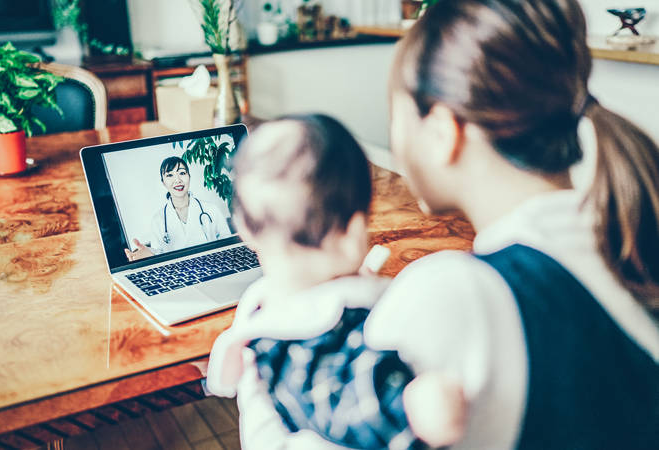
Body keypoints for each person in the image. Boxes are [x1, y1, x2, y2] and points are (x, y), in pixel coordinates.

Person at [235, 0, 659, 449]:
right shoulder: (626, 231)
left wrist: (261, 346)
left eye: (394, 113)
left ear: (441, 130)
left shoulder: (454, 294)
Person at [206, 115, 462, 449]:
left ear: (244, 228)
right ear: (354, 233)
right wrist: (417, 411)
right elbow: (348, 408)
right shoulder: (307, 340)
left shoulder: (259, 303)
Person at [125, 156, 231, 261]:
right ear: (163, 182)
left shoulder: (211, 209)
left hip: (213, 264)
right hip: (179, 274)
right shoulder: (158, 220)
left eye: (182, 173)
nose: (177, 180)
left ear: (189, 176)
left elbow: (228, 244)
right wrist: (150, 255)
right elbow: (159, 254)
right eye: (170, 175)